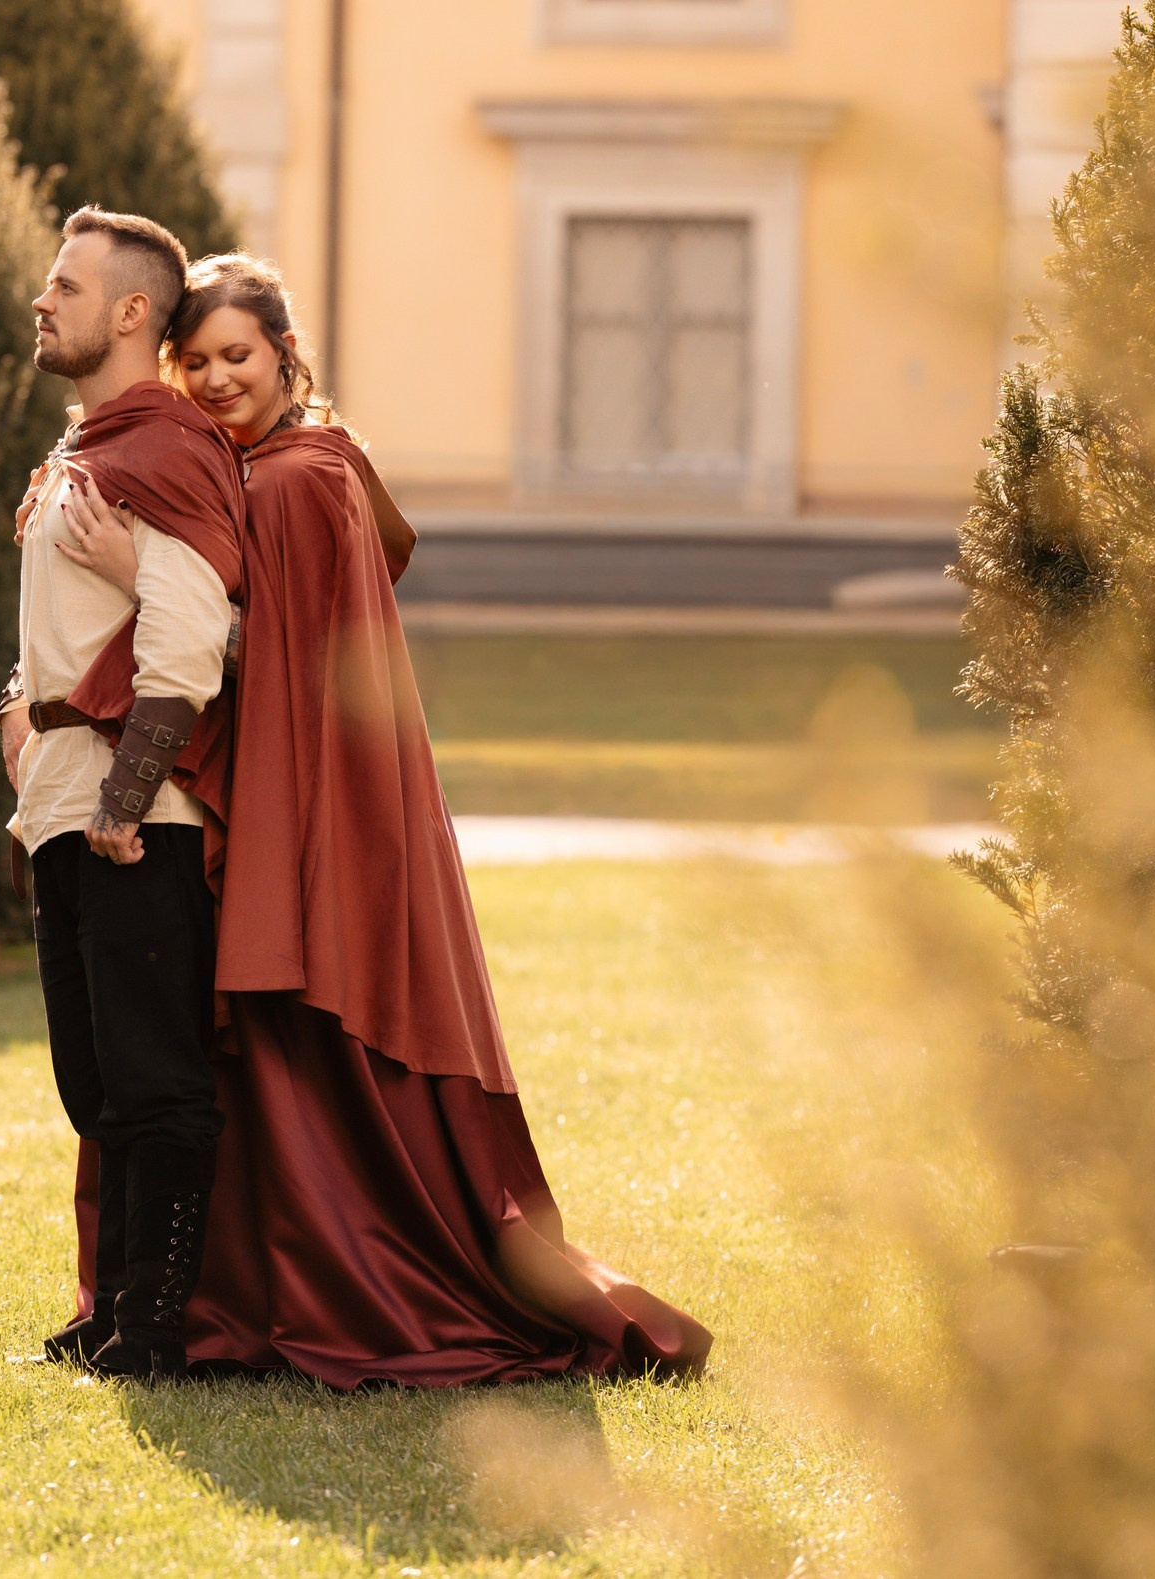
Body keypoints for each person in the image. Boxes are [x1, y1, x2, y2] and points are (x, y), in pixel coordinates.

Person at [58, 253, 712, 1386]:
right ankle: (194, 1297)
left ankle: (297, 1288)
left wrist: (132, 575)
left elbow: (282, 655)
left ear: (285, 356)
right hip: (263, 791)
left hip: (306, 800)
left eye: (238, 357)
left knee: (284, 1051)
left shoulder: (297, 479)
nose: (216, 380)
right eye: (195, 361)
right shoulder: (258, 469)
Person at [0, 208, 245, 1381]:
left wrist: (124, 796)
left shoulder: (166, 448)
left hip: (130, 817)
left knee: (155, 1080)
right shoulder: (85, 450)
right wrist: (14, 708)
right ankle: (113, 1308)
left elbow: (193, 637)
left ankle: (151, 1329)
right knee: (92, 1081)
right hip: (59, 799)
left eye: (65, 284)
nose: (42, 300)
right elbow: (58, 628)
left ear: (132, 311)